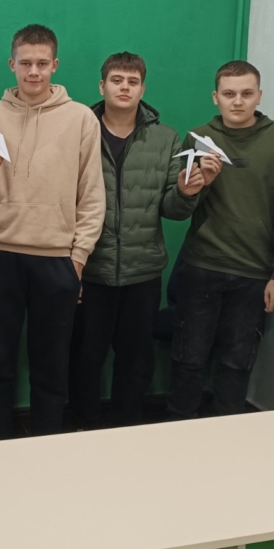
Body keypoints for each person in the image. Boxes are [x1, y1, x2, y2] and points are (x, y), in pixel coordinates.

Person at [0, 24, 105, 440]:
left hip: (56, 259)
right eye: (25, 63)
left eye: (42, 63)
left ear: (55, 65)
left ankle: (46, 451)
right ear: (12, 64)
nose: (34, 72)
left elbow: (92, 195)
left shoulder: (81, 118)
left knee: (51, 367)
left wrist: (78, 259)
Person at [69, 53, 202, 429]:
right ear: (102, 86)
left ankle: (127, 428)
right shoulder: (79, 131)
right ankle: (84, 427)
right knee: (84, 357)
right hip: (90, 268)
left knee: (135, 360)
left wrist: (186, 192)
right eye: (117, 80)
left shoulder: (165, 138)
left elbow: (172, 210)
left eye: (132, 81)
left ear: (143, 88)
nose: (124, 87)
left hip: (142, 272)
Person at [166, 60, 274, 418]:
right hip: (201, 267)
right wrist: (197, 186)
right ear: (216, 97)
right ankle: (176, 434)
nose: (237, 101)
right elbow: (179, 208)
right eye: (229, 94)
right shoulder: (198, 138)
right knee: (188, 359)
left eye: (246, 93)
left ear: (259, 96)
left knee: (237, 364)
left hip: (255, 273)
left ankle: (230, 437)